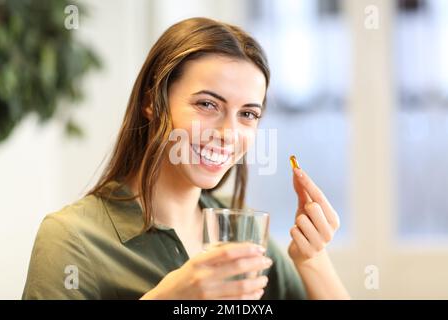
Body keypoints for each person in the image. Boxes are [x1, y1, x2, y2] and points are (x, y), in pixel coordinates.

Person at [22, 17, 349, 300]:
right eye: (208, 105)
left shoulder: (241, 232)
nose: (228, 133)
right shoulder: (72, 239)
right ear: (152, 102)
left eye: (248, 113)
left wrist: (312, 258)